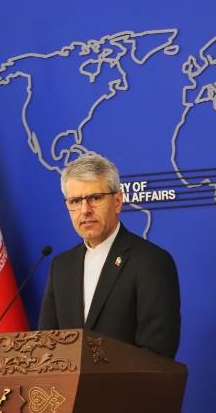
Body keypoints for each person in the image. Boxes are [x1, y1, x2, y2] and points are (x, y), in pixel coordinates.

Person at [39, 152, 181, 359]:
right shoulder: (61, 266)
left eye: (95, 198)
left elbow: (157, 352)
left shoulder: (152, 262)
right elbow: (46, 346)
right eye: (75, 201)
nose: (85, 210)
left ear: (117, 201)